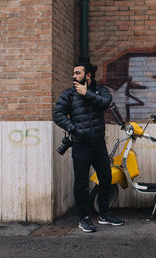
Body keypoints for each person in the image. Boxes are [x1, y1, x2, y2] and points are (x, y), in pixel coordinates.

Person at [53, 61, 124, 233]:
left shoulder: (100, 91)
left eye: (78, 73)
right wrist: (73, 128)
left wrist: (86, 93)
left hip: (98, 144)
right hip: (81, 145)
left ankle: (105, 214)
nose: (74, 76)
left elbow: (106, 103)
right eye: (74, 73)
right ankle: (84, 218)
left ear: (88, 76)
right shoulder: (69, 94)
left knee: (106, 178)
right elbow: (57, 114)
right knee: (81, 183)